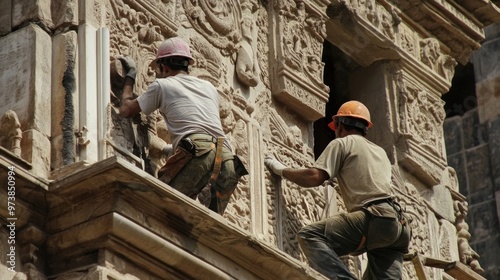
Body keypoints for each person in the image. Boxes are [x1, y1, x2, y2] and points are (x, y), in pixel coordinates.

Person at [265, 101, 411, 279]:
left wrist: (281, 169)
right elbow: (370, 182)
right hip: (399, 227)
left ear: (339, 125)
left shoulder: (342, 143)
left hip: (376, 218)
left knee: (310, 236)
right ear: (365, 128)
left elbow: (315, 177)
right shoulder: (380, 152)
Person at [119, 37, 247, 215]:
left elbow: (126, 110)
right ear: (187, 65)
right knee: (204, 224)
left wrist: (130, 77)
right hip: (227, 160)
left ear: (163, 67)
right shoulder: (209, 87)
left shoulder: (162, 85)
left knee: (160, 205)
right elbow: (203, 128)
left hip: (199, 151)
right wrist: (173, 149)